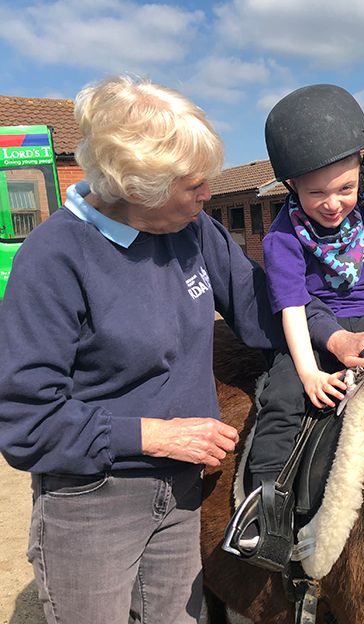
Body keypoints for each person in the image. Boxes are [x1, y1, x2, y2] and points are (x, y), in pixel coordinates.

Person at [0, 75, 299, 624]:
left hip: (182, 495)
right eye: (193, 186)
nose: (208, 196)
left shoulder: (191, 229)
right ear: (137, 189)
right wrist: (156, 435)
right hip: (94, 502)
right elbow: (27, 422)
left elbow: (262, 308)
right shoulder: (54, 259)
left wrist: (335, 335)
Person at [243, 84, 364, 526]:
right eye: (315, 194)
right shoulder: (283, 237)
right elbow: (292, 308)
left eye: (344, 187)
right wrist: (308, 371)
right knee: (283, 397)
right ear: (292, 187)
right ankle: (262, 507)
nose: (332, 204)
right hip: (314, 325)